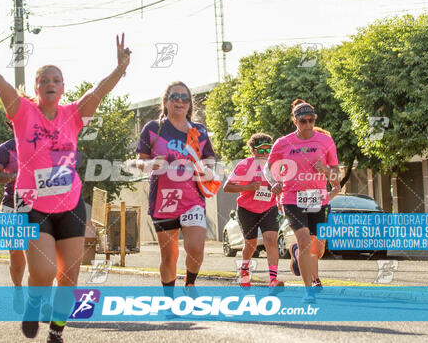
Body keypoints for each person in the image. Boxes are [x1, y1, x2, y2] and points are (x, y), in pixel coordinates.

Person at [0, 32, 130, 343]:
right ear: (36, 88)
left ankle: (56, 331)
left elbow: (99, 91)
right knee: (42, 273)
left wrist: (120, 69)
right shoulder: (23, 112)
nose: (51, 83)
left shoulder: (74, 115)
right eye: (45, 79)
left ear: (63, 88)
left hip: (70, 204)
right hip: (32, 205)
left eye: (57, 79)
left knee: (69, 276)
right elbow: (0, 83)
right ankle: (33, 303)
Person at [135, 81, 216, 290]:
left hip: (192, 200)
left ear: (190, 104)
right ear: (166, 102)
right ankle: (169, 301)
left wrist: (208, 169)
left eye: (184, 98)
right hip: (164, 200)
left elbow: (209, 159)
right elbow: (139, 161)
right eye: (175, 97)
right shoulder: (153, 128)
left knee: (196, 249)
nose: (180, 101)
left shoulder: (198, 131)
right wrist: (150, 164)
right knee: (169, 256)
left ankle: (190, 285)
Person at [264, 99, 340, 303]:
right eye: (303, 121)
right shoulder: (283, 143)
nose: (308, 125)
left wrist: (325, 171)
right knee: (305, 240)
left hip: (318, 198)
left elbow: (335, 173)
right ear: (295, 121)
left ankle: (297, 254)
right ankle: (309, 290)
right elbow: (267, 167)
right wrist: (273, 182)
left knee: (318, 248)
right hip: (292, 197)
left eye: (311, 120)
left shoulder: (326, 141)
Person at [223, 133, 284, 288]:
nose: (265, 154)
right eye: (260, 150)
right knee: (250, 244)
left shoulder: (276, 166)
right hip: (247, 209)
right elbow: (227, 187)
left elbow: (284, 185)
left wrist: (280, 191)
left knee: (271, 241)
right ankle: (244, 269)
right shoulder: (244, 165)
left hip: (269, 208)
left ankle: (273, 279)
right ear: (252, 151)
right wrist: (248, 187)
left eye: (267, 150)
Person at [0, 125, 26, 314]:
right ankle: (18, 289)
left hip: (40, 202)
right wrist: (15, 176)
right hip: (12, 203)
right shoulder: (5, 149)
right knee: (16, 255)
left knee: (41, 253)